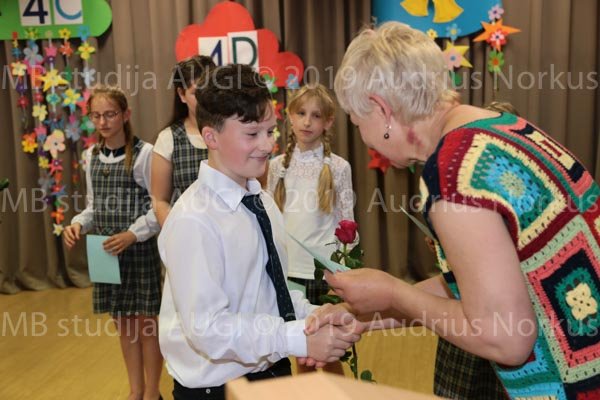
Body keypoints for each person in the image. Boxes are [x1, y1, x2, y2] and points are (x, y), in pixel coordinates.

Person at [310, 22, 600, 399]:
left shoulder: (455, 174)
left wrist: (394, 293)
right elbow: (480, 283)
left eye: (358, 121)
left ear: (382, 110)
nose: (364, 137)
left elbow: (506, 339)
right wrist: (368, 315)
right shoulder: (504, 130)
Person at [158, 64, 361, 400]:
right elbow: (207, 329)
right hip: (218, 389)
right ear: (211, 137)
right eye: (252, 134)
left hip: (271, 369)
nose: (267, 145)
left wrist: (315, 315)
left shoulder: (262, 201)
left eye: (270, 131)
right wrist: (297, 337)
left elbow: (270, 292)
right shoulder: (193, 219)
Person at [63, 85, 163, 400]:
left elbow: (158, 206)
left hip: (138, 250)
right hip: (105, 252)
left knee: (147, 326)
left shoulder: (145, 153)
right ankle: (135, 391)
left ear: (125, 114)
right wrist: (77, 223)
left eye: (110, 114)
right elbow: (93, 207)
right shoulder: (90, 155)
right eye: (96, 116)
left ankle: (152, 392)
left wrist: (133, 233)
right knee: (123, 325)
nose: (103, 122)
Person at [432, 100, 521, 400]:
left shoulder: (512, 185)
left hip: (502, 320)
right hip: (463, 309)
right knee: (459, 388)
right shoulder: (460, 180)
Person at [266, 83, 354, 374]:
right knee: (302, 352)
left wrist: (343, 273)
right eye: (301, 113)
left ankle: (338, 394)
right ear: (289, 117)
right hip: (289, 272)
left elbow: (347, 223)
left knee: (328, 354)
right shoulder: (276, 166)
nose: (307, 122)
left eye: (316, 116)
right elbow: (271, 220)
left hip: (323, 273)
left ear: (327, 122)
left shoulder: (338, 167)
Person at [151, 55, 215, 226]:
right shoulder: (169, 138)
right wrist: (177, 232)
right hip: (188, 229)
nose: (204, 99)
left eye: (209, 90)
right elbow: (159, 200)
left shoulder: (232, 130)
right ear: (182, 94)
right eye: (196, 93)